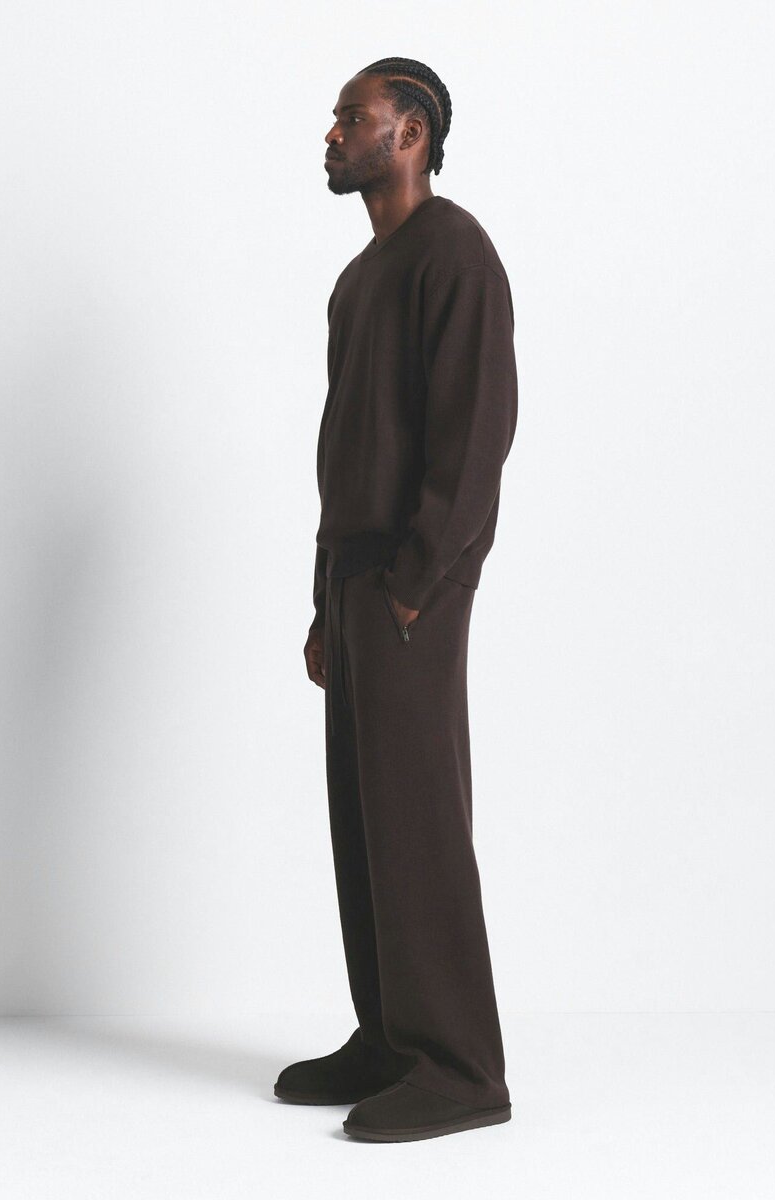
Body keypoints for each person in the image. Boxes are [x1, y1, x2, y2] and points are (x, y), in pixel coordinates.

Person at [275, 57, 518, 1143]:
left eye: (352, 117)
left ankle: (460, 1068)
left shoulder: (454, 252)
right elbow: (348, 446)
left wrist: (418, 583)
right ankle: (389, 1037)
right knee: (365, 818)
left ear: (409, 133)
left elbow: (476, 430)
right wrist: (326, 597)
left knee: (418, 821)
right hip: (356, 578)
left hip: (413, 580)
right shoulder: (359, 278)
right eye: (336, 119)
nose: (333, 134)